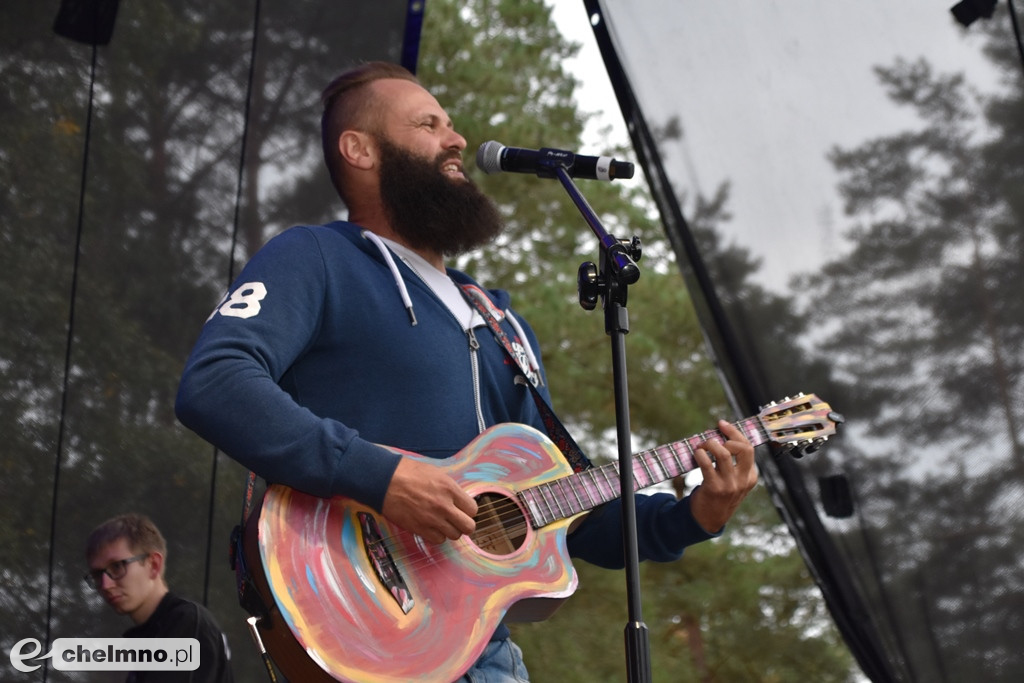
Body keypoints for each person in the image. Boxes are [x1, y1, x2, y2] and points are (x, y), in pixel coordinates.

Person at [174, 60, 757, 681]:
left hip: (485, 654)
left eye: (451, 124)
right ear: (360, 149)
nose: (456, 139)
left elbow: (572, 509)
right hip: (358, 627)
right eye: (429, 124)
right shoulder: (315, 257)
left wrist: (695, 517)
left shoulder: (498, 317)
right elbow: (216, 381)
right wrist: (382, 476)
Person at [84, 513, 234, 683]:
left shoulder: (187, 622)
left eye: (117, 566)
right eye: (97, 575)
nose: (106, 585)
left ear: (154, 565)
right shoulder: (144, 640)